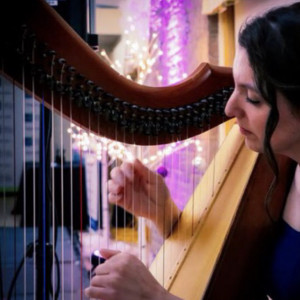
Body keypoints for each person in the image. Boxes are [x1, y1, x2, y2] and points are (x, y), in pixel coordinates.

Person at [85, 2, 300, 300]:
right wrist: (164, 214)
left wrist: (154, 296)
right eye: (234, 88)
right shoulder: (281, 164)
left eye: (252, 97)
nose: (228, 108)